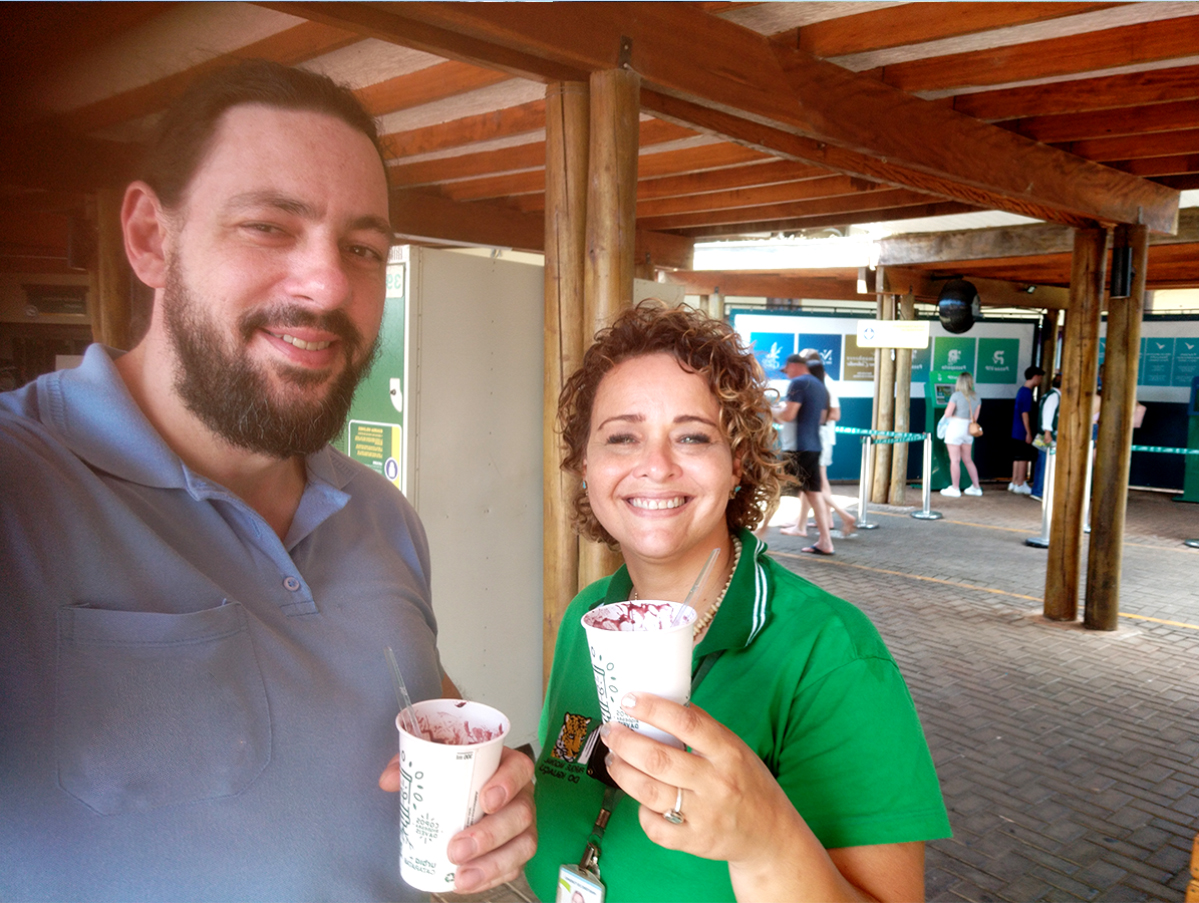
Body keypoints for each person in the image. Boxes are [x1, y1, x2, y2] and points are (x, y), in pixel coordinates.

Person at [0, 61, 534, 901]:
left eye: (363, 249)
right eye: (267, 227)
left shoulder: (383, 516)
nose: (328, 284)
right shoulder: (23, 490)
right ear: (150, 238)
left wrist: (493, 799)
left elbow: (416, 701)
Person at [527, 302, 950, 902]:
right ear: (585, 466)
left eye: (692, 437)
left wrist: (767, 840)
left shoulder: (832, 656)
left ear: (737, 465)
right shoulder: (587, 619)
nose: (656, 466)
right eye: (622, 437)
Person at [785, 354, 856, 539]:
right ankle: (804, 523)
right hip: (815, 440)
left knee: (816, 486)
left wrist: (808, 416)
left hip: (817, 439)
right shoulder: (816, 386)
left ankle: (836, 516)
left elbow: (834, 414)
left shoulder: (823, 386)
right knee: (811, 486)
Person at [773, 352, 835, 554]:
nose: (786, 374)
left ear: (793, 365)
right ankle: (825, 541)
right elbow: (822, 418)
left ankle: (759, 532)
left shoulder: (798, 383)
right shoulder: (819, 385)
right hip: (814, 445)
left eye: (787, 370)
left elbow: (787, 415)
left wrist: (769, 410)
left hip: (797, 448)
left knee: (773, 488)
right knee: (814, 493)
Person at [940, 372, 983, 498]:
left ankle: (955, 488)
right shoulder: (977, 397)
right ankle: (976, 487)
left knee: (955, 460)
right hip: (968, 430)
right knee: (968, 460)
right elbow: (975, 418)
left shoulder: (956, 395)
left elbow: (947, 414)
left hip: (955, 428)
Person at [1008, 365, 1043, 494]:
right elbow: (1025, 413)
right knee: (1023, 457)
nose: (1041, 380)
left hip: (1016, 430)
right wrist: (1028, 432)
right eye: (1040, 377)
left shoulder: (1021, 391)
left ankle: (1014, 482)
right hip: (1022, 431)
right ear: (1035, 377)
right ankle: (1020, 483)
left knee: (1017, 457)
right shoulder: (1027, 393)